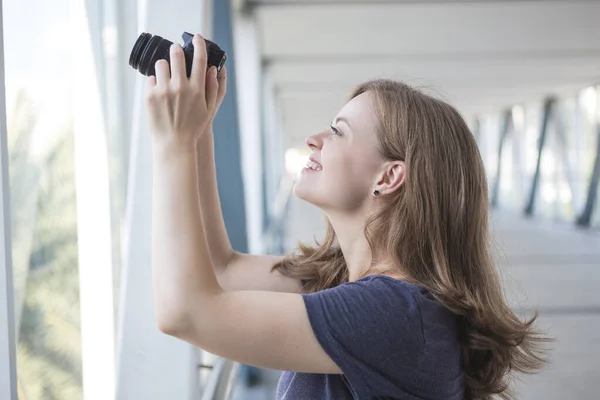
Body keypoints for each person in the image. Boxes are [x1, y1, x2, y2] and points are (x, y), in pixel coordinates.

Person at [145, 34, 549, 400]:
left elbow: (186, 312)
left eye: (338, 132)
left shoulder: (393, 313)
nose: (313, 140)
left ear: (388, 176)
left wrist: (172, 144)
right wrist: (197, 132)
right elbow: (222, 270)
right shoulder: (341, 278)